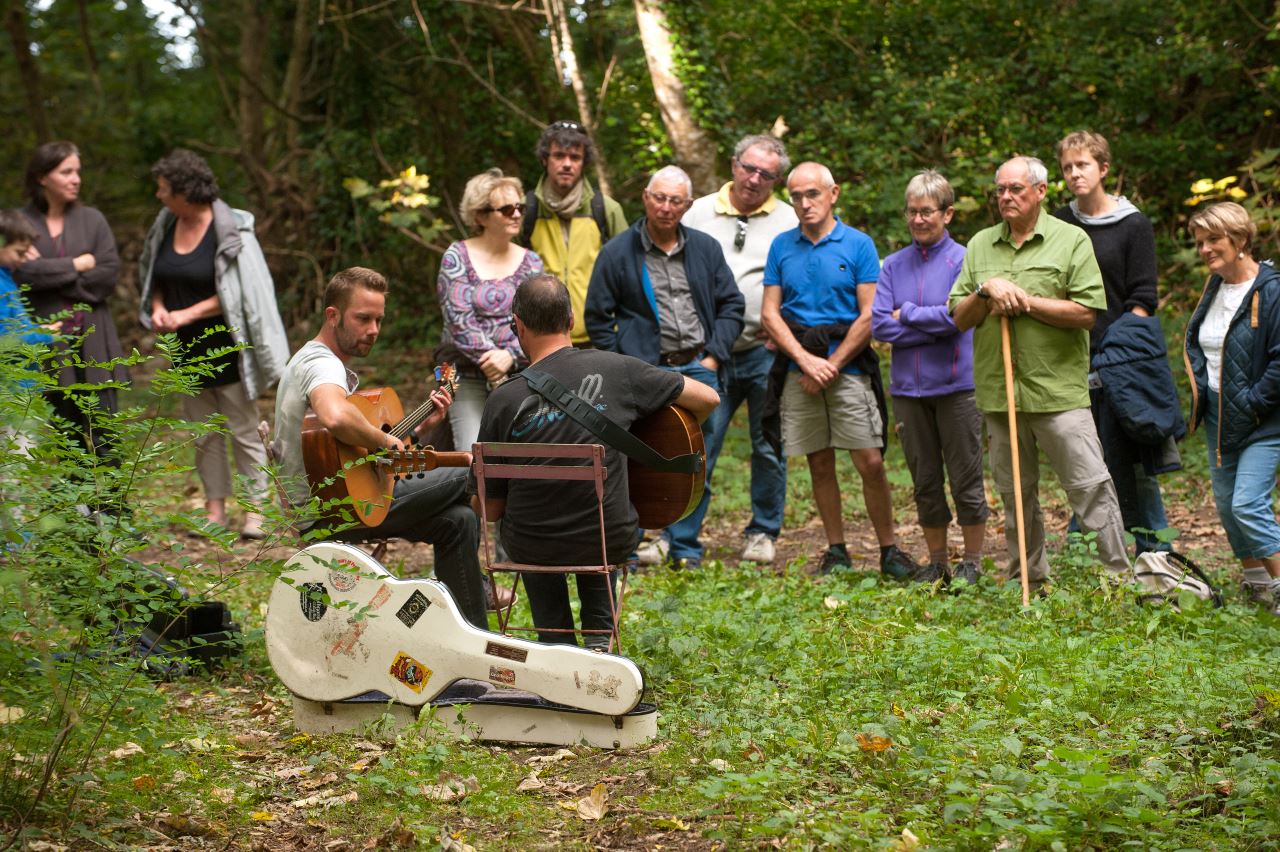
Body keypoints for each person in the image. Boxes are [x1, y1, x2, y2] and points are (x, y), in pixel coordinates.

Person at [474, 274, 719, 646]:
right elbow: (708, 399)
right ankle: (599, 643)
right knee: (598, 524)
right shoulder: (620, 369)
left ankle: (555, 644)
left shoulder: (503, 400)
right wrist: (655, 440)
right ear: (571, 320)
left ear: (518, 326)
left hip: (534, 545)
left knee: (537, 540)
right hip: (607, 538)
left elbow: (490, 510)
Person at [949, 156, 1130, 589]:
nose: (1006, 197)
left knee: (1090, 486)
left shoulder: (1071, 241)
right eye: (1000, 191)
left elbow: (1087, 313)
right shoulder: (979, 246)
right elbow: (958, 317)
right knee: (1016, 496)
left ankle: (1118, 581)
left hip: (1058, 392)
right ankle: (1030, 580)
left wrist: (1023, 300)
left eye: (1016, 189)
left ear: (1041, 191)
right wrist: (985, 288)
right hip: (1000, 393)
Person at [273, 267, 488, 628]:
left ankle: (470, 637)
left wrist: (415, 431)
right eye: (363, 318)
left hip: (338, 500)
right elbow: (336, 417)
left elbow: (350, 453)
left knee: (459, 521)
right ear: (333, 315)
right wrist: (386, 439)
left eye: (378, 320)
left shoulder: (321, 363)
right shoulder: (320, 363)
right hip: (328, 511)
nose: (373, 329)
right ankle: (488, 582)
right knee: (473, 470)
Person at [761, 162, 921, 579]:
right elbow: (770, 314)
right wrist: (806, 361)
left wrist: (829, 365)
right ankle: (836, 550)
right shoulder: (781, 246)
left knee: (870, 459)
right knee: (818, 461)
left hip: (846, 367)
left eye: (812, 193)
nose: (803, 203)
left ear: (833, 194)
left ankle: (889, 550)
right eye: (795, 196)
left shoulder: (859, 245)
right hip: (799, 367)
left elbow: (870, 315)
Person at [584, 165, 744, 569]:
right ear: (645, 197)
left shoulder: (705, 248)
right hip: (642, 375)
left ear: (687, 205)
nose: (666, 207)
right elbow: (597, 318)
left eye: (676, 201)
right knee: (632, 460)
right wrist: (622, 367)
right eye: (660, 198)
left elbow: (732, 305)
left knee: (697, 459)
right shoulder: (617, 252)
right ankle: (629, 548)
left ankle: (685, 548)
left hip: (697, 366)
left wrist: (712, 356)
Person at [138, 149, 290, 539]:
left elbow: (242, 293)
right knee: (202, 431)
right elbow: (158, 273)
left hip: (228, 348)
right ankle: (215, 510)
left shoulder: (231, 229)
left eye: (164, 189)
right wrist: (157, 307)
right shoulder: (167, 223)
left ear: (186, 192)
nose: (159, 196)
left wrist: (186, 314)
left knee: (241, 428)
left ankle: (256, 512)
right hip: (185, 350)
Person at [1054, 130, 1176, 555]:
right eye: (1067, 167)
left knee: (1135, 464)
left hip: (1121, 364)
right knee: (1084, 461)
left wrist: (1112, 357)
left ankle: (1155, 556)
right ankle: (1085, 556)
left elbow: (1142, 300)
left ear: (1103, 168)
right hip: (1069, 361)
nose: (1074, 174)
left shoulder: (1133, 224)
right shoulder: (1059, 224)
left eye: (1082, 165)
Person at [682, 134, 797, 564]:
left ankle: (763, 532)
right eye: (749, 168)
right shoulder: (697, 212)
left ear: (777, 179)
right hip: (709, 351)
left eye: (766, 174)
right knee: (698, 444)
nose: (755, 179)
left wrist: (786, 328)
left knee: (768, 444)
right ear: (733, 165)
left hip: (766, 350)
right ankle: (682, 538)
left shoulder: (788, 219)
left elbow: (800, 278)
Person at [871, 171, 988, 584]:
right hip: (908, 390)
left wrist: (914, 315)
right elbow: (880, 325)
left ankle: (971, 561)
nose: (919, 220)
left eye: (927, 212)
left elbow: (960, 318)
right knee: (925, 481)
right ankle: (937, 561)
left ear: (947, 213)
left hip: (958, 388)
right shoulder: (894, 265)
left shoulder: (966, 259)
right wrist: (936, 321)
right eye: (912, 212)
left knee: (966, 477)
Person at [1183, 202, 1280, 616]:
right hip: (1219, 416)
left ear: (1240, 240)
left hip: (1264, 418)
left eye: (1213, 240)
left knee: (1247, 503)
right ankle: (1256, 584)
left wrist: (1254, 401)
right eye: (1200, 242)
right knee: (1225, 504)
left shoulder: (1272, 290)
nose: (1204, 249)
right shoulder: (1214, 287)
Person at [17, 141, 128, 455]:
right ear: (42, 177)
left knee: (105, 431)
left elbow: (106, 277)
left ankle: (113, 505)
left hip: (95, 340)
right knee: (66, 438)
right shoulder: (19, 223)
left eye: (77, 172)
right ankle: (77, 506)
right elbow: (21, 274)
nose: (76, 179)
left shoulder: (93, 220)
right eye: (66, 172)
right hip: (49, 343)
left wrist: (48, 275)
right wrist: (76, 265)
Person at [437, 168, 544, 451]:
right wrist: (493, 363)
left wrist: (509, 356)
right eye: (507, 209)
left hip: (521, 374)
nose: (517, 214)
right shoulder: (456, 257)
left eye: (520, 207)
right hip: (467, 377)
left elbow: (537, 321)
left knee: (531, 454)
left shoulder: (532, 263)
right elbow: (459, 319)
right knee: (474, 458)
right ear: (480, 216)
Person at [520, 121, 627, 348]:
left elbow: (628, 276)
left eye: (575, 158)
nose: (567, 164)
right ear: (545, 159)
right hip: (540, 340)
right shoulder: (524, 210)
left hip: (600, 340)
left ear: (583, 163)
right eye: (559, 156)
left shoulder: (606, 209)